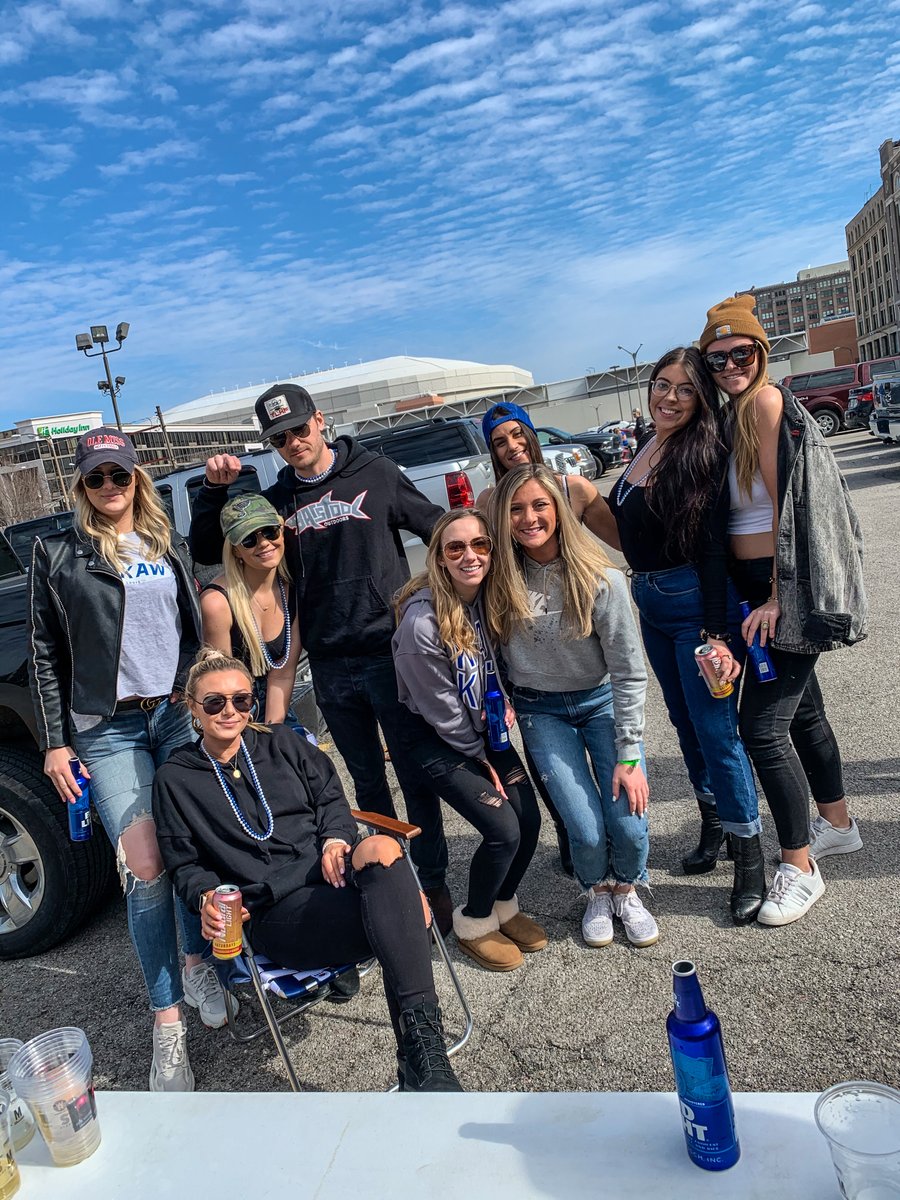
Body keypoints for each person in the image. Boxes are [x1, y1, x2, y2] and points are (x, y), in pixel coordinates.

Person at [188, 384, 452, 933]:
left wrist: (435, 606)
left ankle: (434, 882)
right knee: (365, 782)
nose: (292, 443)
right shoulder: (279, 500)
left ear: (320, 421)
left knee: (415, 772)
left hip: (387, 654)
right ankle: (390, 886)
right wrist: (214, 493)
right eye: (279, 438)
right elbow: (212, 549)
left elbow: (437, 529)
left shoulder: (375, 474)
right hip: (330, 664)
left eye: (299, 430)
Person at [152, 648, 462, 1092]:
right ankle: (426, 1063)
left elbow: (332, 799)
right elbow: (183, 862)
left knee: (381, 846)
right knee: (403, 918)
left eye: (241, 700)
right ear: (192, 707)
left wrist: (336, 838)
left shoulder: (283, 743)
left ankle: (421, 1053)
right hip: (277, 912)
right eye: (215, 703)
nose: (230, 711)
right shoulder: (176, 777)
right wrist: (205, 897)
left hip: (335, 874)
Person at [27, 427, 227, 1092]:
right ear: (80, 487)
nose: (109, 488)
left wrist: (195, 689)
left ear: (136, 478)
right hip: (107, 730)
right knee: (144, 867)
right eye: (96, 479)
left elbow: (188, 625)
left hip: (172, 713)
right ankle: (167, 1025)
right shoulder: (56, 553)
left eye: (119, 475)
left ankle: (197, 963)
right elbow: (46, 652)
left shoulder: (164, 544)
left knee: (189, 847)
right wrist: (56, 740)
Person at [698, 294, 867, 926]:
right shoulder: (735, 413)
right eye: (717, 359)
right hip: (753, 582)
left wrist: (775, 595)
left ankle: (798, 866)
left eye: (741, 353)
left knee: (761, 730)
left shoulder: (765, 403)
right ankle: (838, 825)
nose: (731, 366)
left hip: (778, 583)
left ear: (760, 353)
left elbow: (786, 508)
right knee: (805, 716)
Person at [597, 348, 765, 924]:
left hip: (694, 606)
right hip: (648, 601)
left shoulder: (704, 451)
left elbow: (714, 547)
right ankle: (714, 824)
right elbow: (626, 530)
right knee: (685, 724)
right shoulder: (648, 444)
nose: (669, 397)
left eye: (685, 389)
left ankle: (751, 858)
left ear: (702, 398)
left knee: (718, 733)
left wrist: (717, 636)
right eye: (661, 385)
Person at [491, 463, 658, 949]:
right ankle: (597, 891)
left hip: (600, 701)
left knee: (627, 818)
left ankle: (627, 888)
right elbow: (486, 645)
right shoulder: (499, 579)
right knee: (583, 831)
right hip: (541, 711)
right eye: (516, 509)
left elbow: (629, 670)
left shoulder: (601, 577)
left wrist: (630, 754)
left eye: (540, 505)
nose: (529, 518)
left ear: (560, 510)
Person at [392, 510, 544, 972]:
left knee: (530, 820)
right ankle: (474, 922)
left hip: (484, 728)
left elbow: (490, 666)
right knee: (503, 830)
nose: (470, 555)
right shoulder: (422, 625)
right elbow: (443, 714)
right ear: (439, 559)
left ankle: (502, 905)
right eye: (455, 548)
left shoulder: (481, 599)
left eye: (480, 544)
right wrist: (485, 762)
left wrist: (505, 704)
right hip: (438, 740)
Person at [478, 400, 612, 876]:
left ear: (533, 436)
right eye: (499, 441)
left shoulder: (572, 489)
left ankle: (613, 841)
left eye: (519, 435)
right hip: (525, 648)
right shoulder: (489, 504)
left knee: (607, 754)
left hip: (581, 645)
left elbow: (621, 542)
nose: (512, 447)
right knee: (551, 760)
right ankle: (573, 836)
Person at [199, 495, 301, 723]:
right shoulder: (217, 601)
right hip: (232, 711)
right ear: (235, 550)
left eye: (270, 531)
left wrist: (274, 734)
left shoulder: (291, 589)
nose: (264, 543)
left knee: (301, 754)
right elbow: (222, 686)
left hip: (279, 702)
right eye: (248, 540)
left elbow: (283, 674)